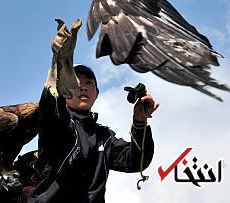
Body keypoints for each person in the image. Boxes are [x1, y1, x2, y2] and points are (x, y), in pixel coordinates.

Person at [28, 20, 159, 203]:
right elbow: (51, 113)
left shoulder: (104, 137)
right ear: (65, 90)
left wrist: (139, 121)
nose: (83, 87)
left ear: (96, 93)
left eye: (89, 83)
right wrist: (58, 65)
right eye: (76, 82)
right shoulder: (60, 124)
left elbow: (137, 161)